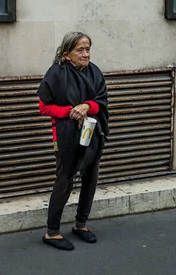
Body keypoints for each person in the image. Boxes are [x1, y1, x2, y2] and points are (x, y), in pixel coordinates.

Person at [37, 31, 109, 251]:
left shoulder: (95, 72)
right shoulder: (56, 73)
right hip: (66, 136)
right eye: (80, 50)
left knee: (90, 178)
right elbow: (43, 107)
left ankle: (81, 224)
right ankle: (52, 232)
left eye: (88, 49)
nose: (86, 54)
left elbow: (101, 101)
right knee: (65, 179)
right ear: (67, 54)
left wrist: (87, 106)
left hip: (91, 134)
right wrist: (70, 112)